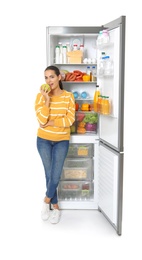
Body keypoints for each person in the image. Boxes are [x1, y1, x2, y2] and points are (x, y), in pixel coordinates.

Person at [34, 65, 75, 224]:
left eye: (51, 76)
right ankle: (56, 207)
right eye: (46, 77)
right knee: (49, 173)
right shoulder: (40, 96)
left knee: (55, 174)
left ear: (59, 77)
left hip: (61, 140)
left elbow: (70, 120)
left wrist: (51, 121)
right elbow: (41, 120)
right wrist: (47, 100)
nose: (48, 80)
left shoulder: (68, 97)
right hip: (43, 140)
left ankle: (46, 201)